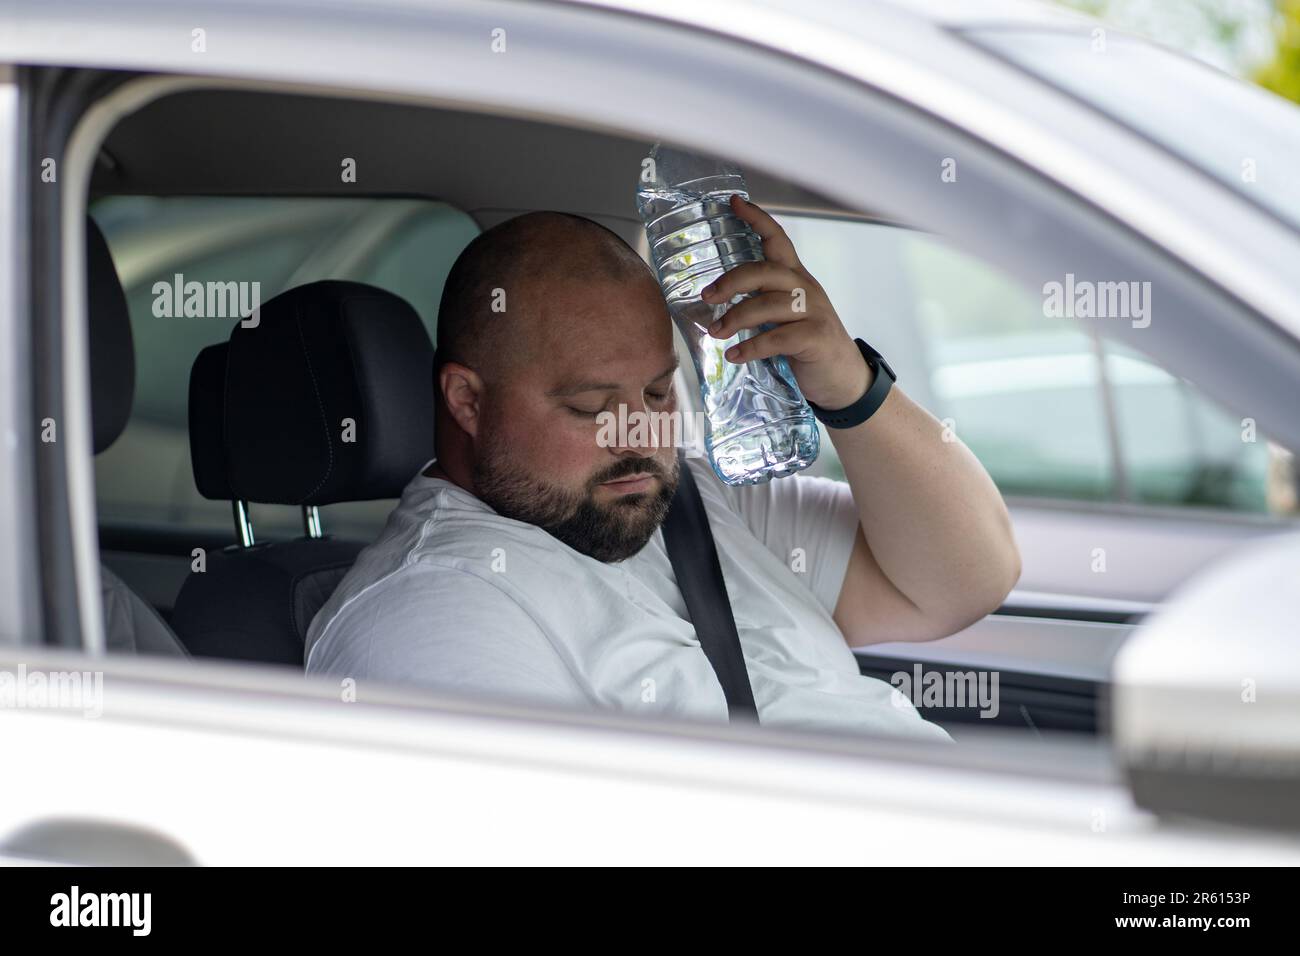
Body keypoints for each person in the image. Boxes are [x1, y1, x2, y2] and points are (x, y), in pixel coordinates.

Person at [305, 197, 1020, 741]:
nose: (640, 432)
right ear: (466, 400)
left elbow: (965, 579)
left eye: (656, 392)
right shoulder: (433, 615)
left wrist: (849, 385)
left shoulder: (690, 499)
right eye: (590, 405)